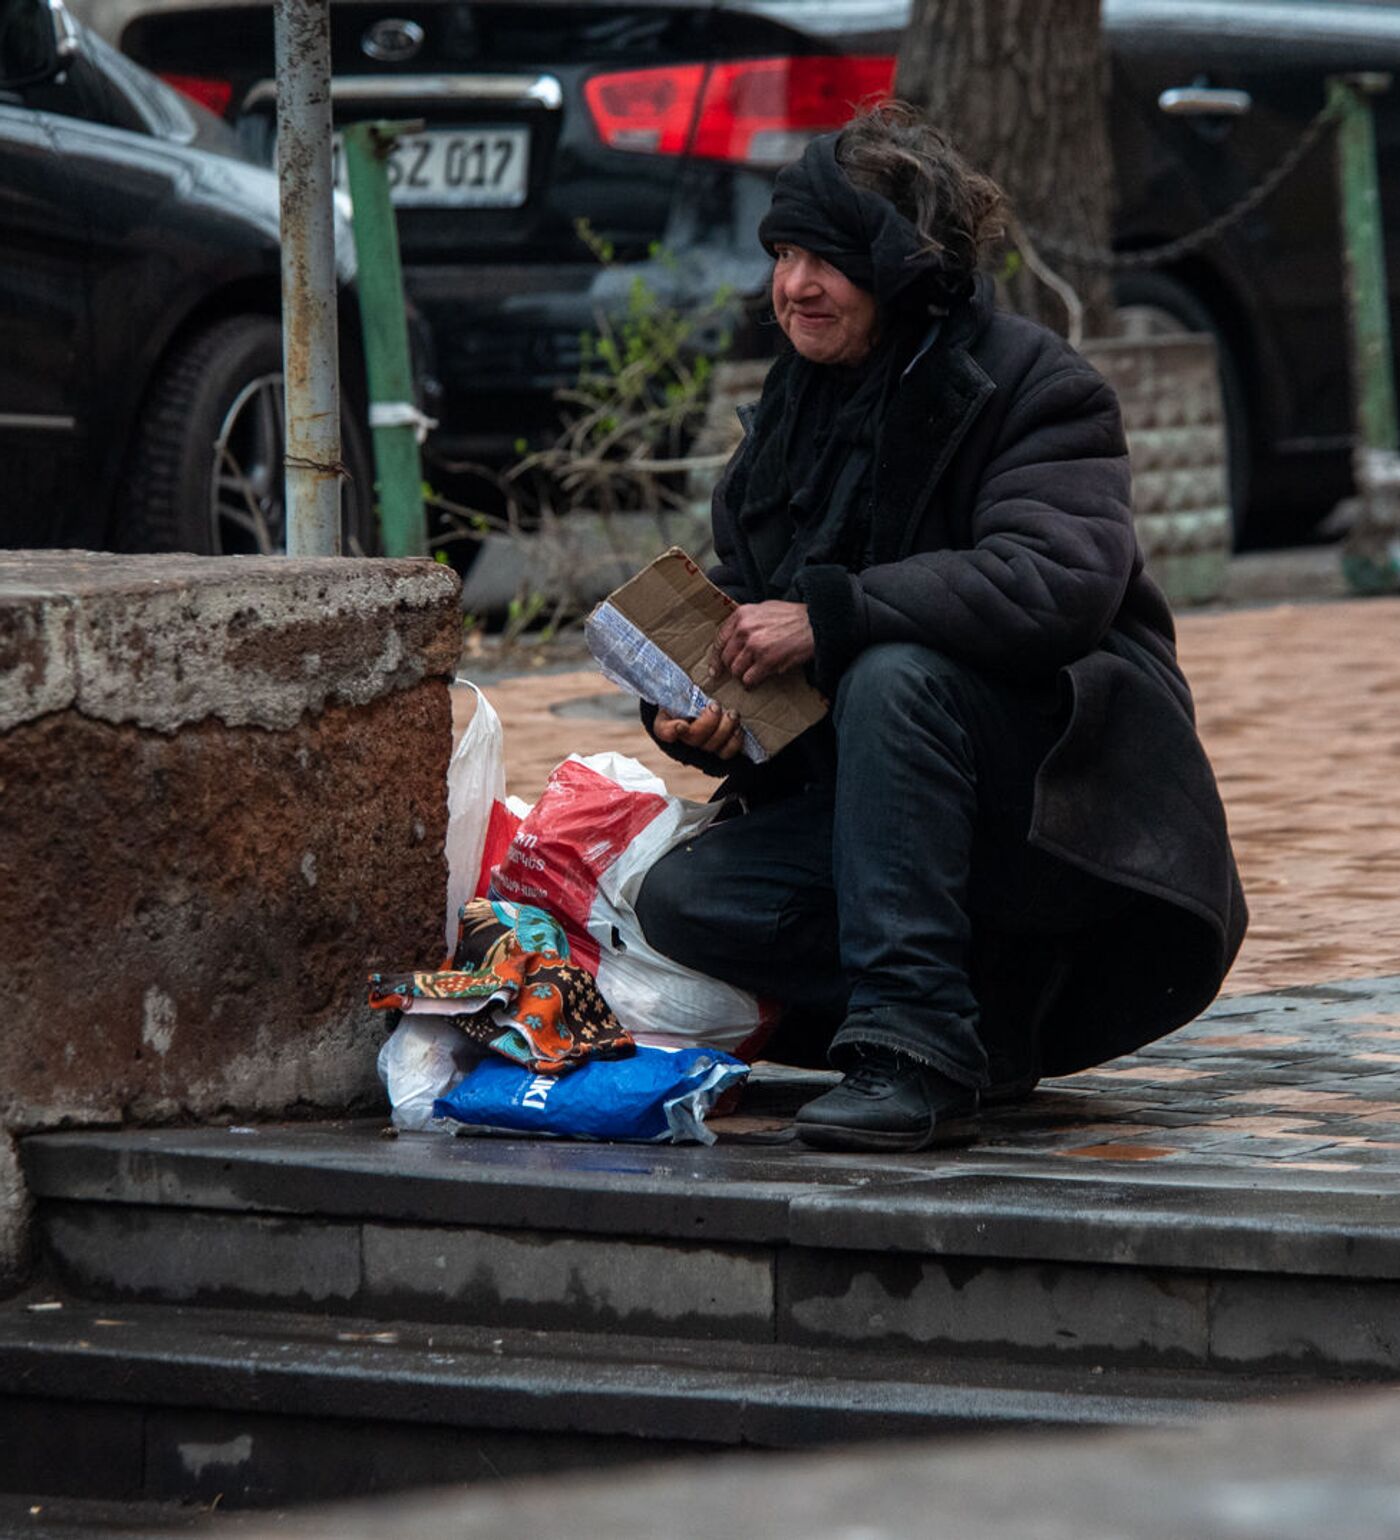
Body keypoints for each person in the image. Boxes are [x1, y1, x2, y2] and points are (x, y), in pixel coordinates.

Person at [632, 101, 1247, 1153]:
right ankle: (981, 1019)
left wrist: (832, 619)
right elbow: (745, 604)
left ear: (905, 269)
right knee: (686, 898)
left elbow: (1053, 581)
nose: (792, 286)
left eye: (825, 260)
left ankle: (914, 1048)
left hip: (1062, 805)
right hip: (886, 812)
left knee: (895, 673)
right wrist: (697, 706)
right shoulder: (791, 413)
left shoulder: (1034, 385)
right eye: (781, 255)